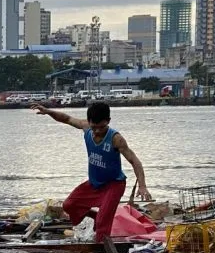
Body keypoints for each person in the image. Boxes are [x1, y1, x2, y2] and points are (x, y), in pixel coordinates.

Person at [31, 101, 151, 243]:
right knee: (69, 205)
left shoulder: (116, 139)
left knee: (103, 222)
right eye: (94, 127)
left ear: (108, 121)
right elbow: (66, 119)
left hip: (114, 185)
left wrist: (142, 186)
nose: (97, 131)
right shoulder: (86, 128)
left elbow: (135, 161)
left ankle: (100, 250)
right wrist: (49, 112)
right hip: (95, 183)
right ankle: (95, 216)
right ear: (89, 122)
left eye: (101, 127)